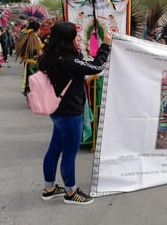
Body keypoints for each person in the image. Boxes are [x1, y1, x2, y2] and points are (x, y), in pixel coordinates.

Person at [39, 21, 112, 205]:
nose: (77, 38)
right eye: (74, 36)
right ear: (68, 39)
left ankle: (49, 188)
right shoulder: (69, 61)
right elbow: (96, 66)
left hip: (56, 112)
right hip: (70, 113)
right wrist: (106, 45)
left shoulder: (48, 57)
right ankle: (71, 192)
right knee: (70, 154)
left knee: (54, 150)